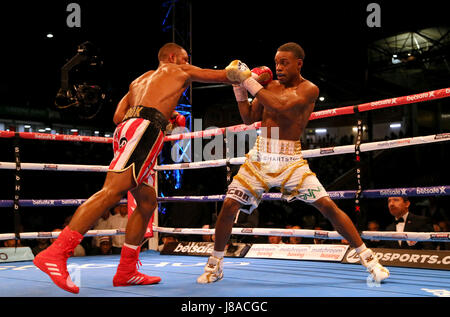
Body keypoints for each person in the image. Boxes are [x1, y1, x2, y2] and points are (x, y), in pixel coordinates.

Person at [34, 42, 236, 294]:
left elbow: (119, 116)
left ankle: (126, 271)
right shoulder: (177, 70)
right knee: (111, 192)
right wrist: (249, 74)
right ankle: (56, 253)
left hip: (127, 131)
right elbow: (223, 75)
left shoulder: (139, 81)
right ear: (172, 57)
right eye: (185, 58)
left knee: (147, 202)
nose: (187, 63)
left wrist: (167, 116)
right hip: (144, 131)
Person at [198, 42, 389, 284]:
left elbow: (280, 106)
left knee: (327, 206)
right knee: (228, 206)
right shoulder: (267, 86)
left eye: (284, 62)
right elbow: (248, 118)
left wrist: (248, 81)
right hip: (260, 156)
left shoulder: (309, 89)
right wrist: (238, 86)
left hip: (291, 160)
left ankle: (370, 261)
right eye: (276, 62)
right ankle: (215, 265)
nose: (278, 67)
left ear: (299, 63)